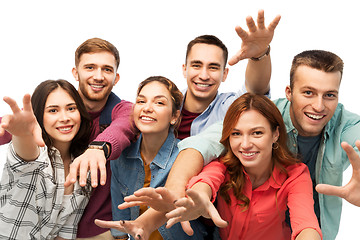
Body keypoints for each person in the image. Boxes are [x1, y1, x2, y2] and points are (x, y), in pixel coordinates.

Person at [142, 50, 360, 240]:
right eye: (308, 92)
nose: (319, 105)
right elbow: (203, 146)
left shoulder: (342, 128)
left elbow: (307, 225)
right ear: (289, 92)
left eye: (329, 95)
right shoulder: (259, 115)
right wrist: (179, 192)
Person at [0, 38, 135, 239]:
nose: (98, 76)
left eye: (107, 69)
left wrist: (98, 149)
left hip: (96, 230)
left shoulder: (122, 111)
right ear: (75, 72)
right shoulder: (53, 114)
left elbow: (123, 126)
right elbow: (21, 126)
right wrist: (21, 132)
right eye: (90, 67)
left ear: (116, 77)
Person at [165, 93, 322, 240]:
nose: (245, 145)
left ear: (275, 134)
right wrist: (199, 199)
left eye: (257, 133)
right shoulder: (223, 164)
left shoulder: (296, 174)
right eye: (236, 134)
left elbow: (306, 223)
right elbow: (206, 181)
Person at [95, 76, 206, 239]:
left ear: (174, 116)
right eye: (141, 101)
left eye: (159, 103)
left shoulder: (187, 155)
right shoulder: (121, 157)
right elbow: (121, 223)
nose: (147, 108)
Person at [0, 80, 92, 239]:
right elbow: (27, 157)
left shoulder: (83, 166)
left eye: (71, 108)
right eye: (53, 110)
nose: (64, 118)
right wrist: (23, 134)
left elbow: (65, 233)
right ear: (38, 116)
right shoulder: (36, 151)